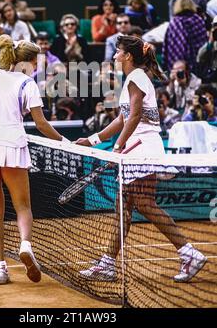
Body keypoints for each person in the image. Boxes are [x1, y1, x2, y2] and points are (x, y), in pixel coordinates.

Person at [76, 35, 207, 282]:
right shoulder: (133, 79)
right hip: (139, 147)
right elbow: (123, 118)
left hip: (143, 148)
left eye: (117, 51)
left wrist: (117, 146)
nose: (114, 55)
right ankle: (107, 264)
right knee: (123, 207)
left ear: (128, 56)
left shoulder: (136, 77)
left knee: (144, 203)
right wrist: (94, 139)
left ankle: (189, 253)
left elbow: (135, 116)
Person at [0, 34, 68, 285]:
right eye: (36, 63)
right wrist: (64, 142)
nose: (37, 68)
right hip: (12, 145)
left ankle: (0, 268)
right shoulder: (27, 83)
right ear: (29, 62)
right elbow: (41, 123)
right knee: (22, 206)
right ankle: (25, 244)